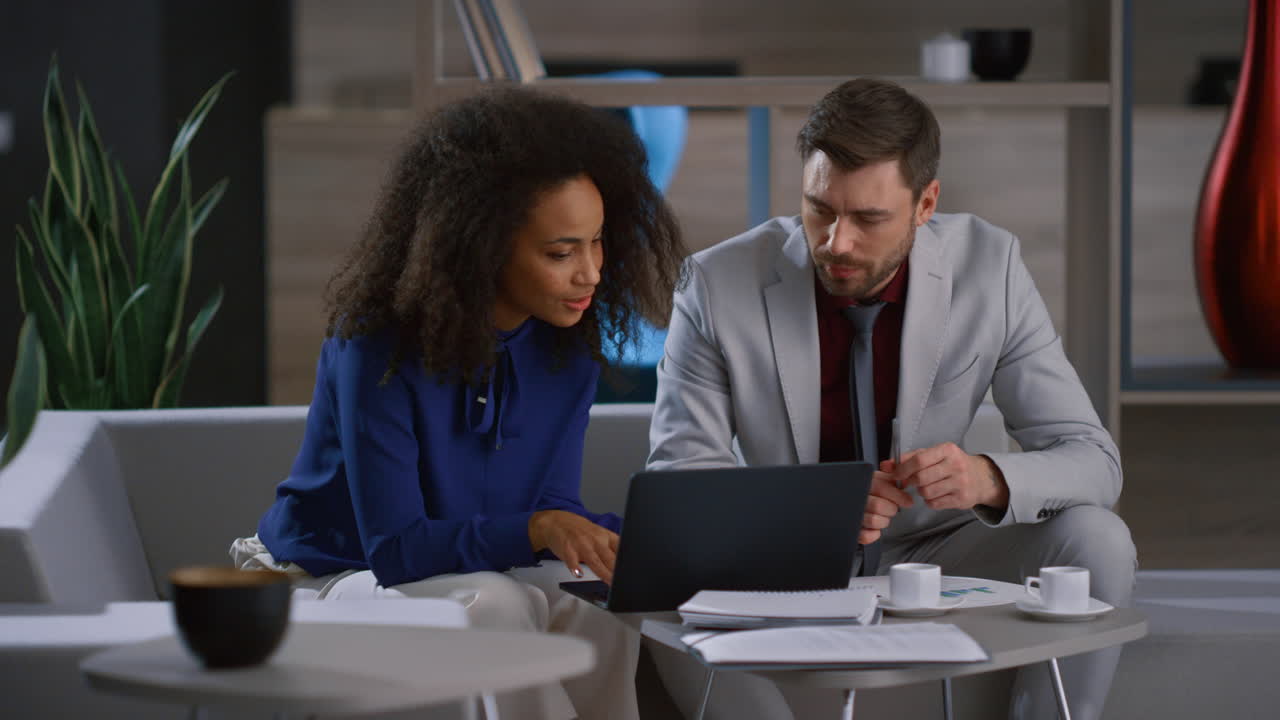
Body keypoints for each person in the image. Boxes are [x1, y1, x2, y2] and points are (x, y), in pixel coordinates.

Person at [646, 78, 1136, 720]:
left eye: (869, 218)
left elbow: (1094, 460)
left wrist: (988, 477)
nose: (836, 243)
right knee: (652, 576)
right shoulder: (714, 283)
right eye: (819, 208)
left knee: (1097, 538)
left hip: (940, 549)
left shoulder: (993, 267)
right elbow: (680, 484)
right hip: (780, 562)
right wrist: (809, 516)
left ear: (926, 203)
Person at [231, 87, 685, 720]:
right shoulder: (376, 346)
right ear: (483, 245)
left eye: (598, 241)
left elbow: (548, 510)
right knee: (498, 608)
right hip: (325, 577)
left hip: (467, 574)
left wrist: (634, 541)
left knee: (595, 604)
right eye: (561, 252)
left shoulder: (568, 349)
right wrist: (538, 528)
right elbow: (396, 550)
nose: (592, 272)